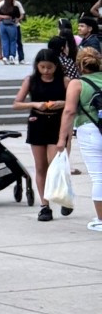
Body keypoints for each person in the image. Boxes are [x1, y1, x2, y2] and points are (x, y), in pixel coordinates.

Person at [14, 50, 69, 221]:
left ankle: (63, 196)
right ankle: (45, 206)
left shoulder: (64, 80)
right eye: (42, 67)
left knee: (55, 165)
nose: (46, 71)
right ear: (37, 66)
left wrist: (62, 103)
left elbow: (75, 102)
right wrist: (35, 104)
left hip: (57, 124)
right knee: (40, 166)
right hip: (37, 122)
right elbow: (16, 103)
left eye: (50, 67)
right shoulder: (30, 80)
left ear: (56, 66)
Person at [57, 46, 102, 234]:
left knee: (99, 177)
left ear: (79, 65)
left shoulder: (77, 84)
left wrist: (62, 139)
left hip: (90, 131)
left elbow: (69, 111)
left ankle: (101, 219)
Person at [0, 0, 25, 64]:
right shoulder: (15, 5)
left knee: (6, 41)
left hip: (3, 23)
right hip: (12, 24)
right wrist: (17, 19)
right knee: (13, 41)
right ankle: (11, 56)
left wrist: (4, 17)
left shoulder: (3, 4)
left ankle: (6, 56)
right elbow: (20, 14)